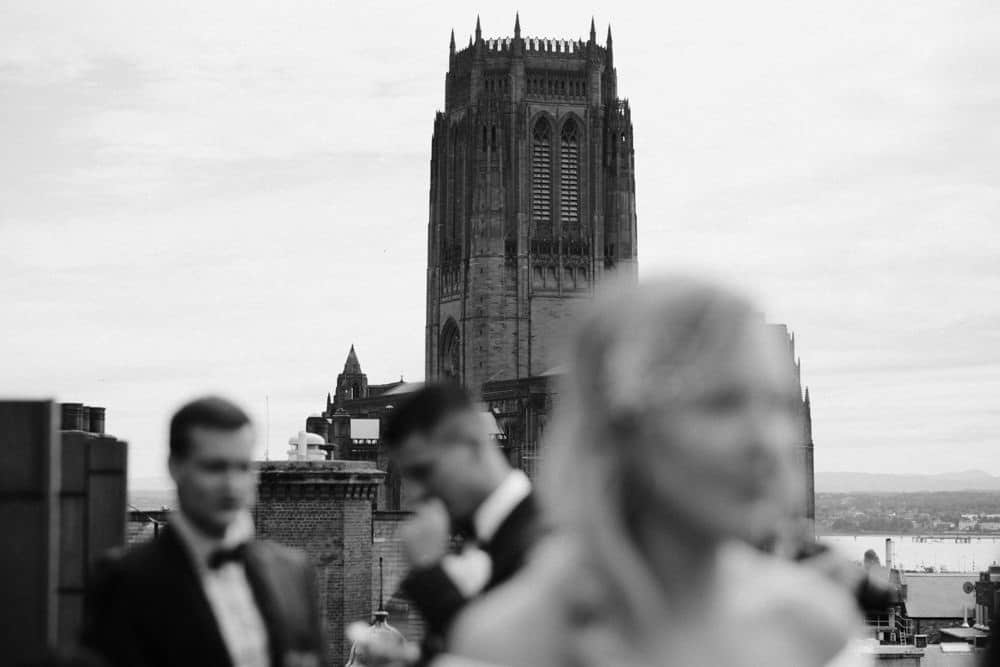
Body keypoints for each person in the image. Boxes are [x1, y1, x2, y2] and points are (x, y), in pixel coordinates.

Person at [445, 276, 868, 667]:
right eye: (722, 404)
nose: (767, 443)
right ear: (622, 428)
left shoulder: (815, 628)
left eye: (777, 405)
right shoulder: (502, 646)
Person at [82, 396, 324, 667]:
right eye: (215, 467)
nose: (232, 486)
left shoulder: (292, 570)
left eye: (242, 467)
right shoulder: (125, 581)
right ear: (175, 467)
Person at [381, 383, 544, 662]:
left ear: (472, 441)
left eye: (424, 470)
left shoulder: (546, 538)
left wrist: (429, 576)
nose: (414, 495)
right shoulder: (480, 538)